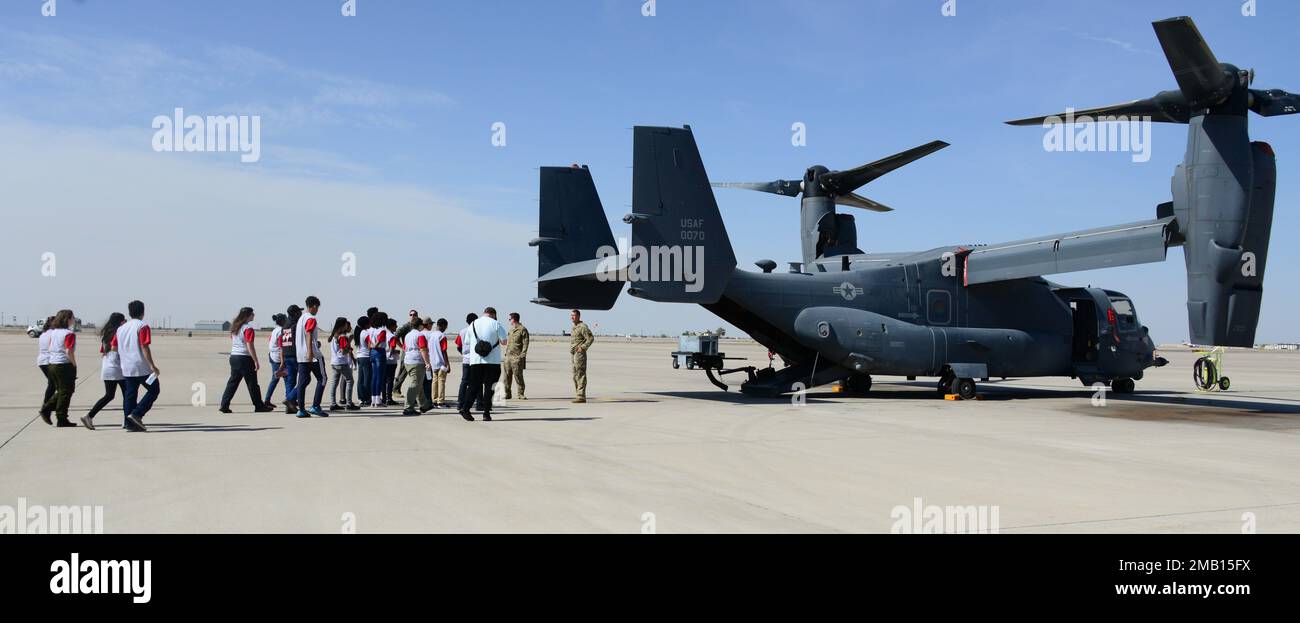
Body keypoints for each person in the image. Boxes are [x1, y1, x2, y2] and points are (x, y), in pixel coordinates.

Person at [219, 307, 274, 414]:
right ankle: (259, 406)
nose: (254, 315)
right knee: (252, 383)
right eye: (252, 314)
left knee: (233, 382)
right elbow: (250, 345)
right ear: (247, 316)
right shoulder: (248, 328)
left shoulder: (235, 327)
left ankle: (224, 405)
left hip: (234, 357)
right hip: (244, 358)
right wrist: (256, 361)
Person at [117, 300, 160, 432]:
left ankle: (129, 422)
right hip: (141, 366)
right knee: (154, 390)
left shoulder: (121, 328)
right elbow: (144, 346)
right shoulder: (142, 326)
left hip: (126, 366)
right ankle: (137, 414)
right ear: (143, 311)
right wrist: (152, 365)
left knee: (130, 395)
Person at [459, 307, 508, 422]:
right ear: (494, 314)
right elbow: (504, 341)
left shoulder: (473, 324)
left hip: (476, 361)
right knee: (490, 388)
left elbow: (466, 341)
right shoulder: (496, 324)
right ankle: (486, 413)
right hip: (493, 362)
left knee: (473, 386)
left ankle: (465, 409)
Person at [82, 312, 128, 430]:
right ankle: (127, 420)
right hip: (118, 369)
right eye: (123, 320)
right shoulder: (119, 333)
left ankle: (89, 416)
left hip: (107, 367)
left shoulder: (106, 335)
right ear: (120, 322)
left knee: (109, 395)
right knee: (127, 395)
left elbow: (103, 352)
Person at [40, 309, 80, 428]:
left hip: (52, 363)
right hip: (63, 364)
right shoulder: (69, 334)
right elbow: (69, 351)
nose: (74, 319)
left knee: (63, 390)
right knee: (65, 392)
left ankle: (48, 409)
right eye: (72, 317)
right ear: (67, 319)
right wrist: (74, 364)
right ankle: (60, 417)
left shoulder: (54, 332)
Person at [294, 296, 328, 418]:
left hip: (300, 355)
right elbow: (308, 334)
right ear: (313, 306)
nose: (317, 310)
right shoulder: (311, 318)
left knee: (302, 382)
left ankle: (301, 409)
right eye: (317, 307)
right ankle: (315, 406)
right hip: (313, 355)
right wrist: (310, 351)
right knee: (322, 379)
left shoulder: (301, 319)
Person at [400, 317, 434, 415]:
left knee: (418, 384)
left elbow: (405, 347)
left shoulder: (408, 335)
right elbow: (423, 349)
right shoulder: (420, 335)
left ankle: (424, 405)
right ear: (420, 325)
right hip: (417, 361)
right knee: (415, 384)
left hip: (408, 361)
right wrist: (427, 362)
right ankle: (408, 407)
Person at [328, 317, 359, 411]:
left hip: (334, 362)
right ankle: (349, 403)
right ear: (343, 325)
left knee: (334, 383)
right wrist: (349, 347)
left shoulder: (334, 335)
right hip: (341, 362)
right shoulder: (342, 336)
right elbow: (343, 351)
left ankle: (333, 403)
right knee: (350, 381)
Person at [392, 309, 421, 397]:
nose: (413, 316)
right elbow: (395, 336)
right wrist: (402, 346)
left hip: (415, 353)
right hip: (406, 353)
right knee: (402, 372)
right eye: (411, 315)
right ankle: (395, 389)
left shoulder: (418, 326)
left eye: (414, 314)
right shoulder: (406, 326)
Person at [279, 306, 302, 414]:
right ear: (296, 313)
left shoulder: (284, 326)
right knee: (304, 379)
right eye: (299, 312)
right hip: (295, 355)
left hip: (287, 354)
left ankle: (290, 406)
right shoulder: (296, 325)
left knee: (290, 381)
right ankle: (290, 399)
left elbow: (282, 343)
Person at [502, 312, 530, 400]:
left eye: (510, 319)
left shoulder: (522, 329)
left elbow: (526, 343)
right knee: (506, 377)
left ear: (513, 319)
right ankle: (507, 393)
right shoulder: (511, 330)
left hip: (517, 357)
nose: (509, 321)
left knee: (518, 376)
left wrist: (523, 354)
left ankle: (520, 393)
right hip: (508, 357)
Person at [364, 311, 390, 407]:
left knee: (374, 377)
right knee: (379, 377)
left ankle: (373, 399)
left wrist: (372, 346)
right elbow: (380, 341)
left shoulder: (371, 330)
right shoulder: (382, 330)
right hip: (379, 352)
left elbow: (369, 343)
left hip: (372, 353)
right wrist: (376, 346)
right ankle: (378, 400)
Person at [570, 309, 595, 403]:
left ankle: (581, 396)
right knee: (575, 375)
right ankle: (578, 394)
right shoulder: (574, 327)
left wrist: (583, 347)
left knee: (580, 374)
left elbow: (591, 338)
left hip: (580, 354)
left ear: (578, 316)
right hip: (574, 354)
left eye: (574, 315)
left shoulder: (583, 327)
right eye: (571, 315)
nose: (572, 317)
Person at [262, 313, 287, 408]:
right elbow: (281, 347)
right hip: (278, 358)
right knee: (286, 378)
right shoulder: (281, 331)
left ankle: (267, 400)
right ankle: (289, 399)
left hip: (272, 356)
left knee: (276, 379)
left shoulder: (274, 330)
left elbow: (270, 340)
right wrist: (282, 362)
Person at [455, 313, 477, 411]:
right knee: (476, 381)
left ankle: (460, 402)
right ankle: (477, 402)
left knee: (464, 381)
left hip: (466, 359)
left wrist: (464, 354)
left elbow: (458, 346)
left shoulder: (462, 331)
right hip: (476, 360)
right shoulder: (478, 331)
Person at [36, 314, 56, 422]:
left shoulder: (44, 333)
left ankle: (48, 406)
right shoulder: (53, 334)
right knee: (53, 385)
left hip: (42, 360)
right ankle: (46, 407)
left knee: (52, 384)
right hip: (49, 360)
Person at [352, 315, 371, 408]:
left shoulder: (358, 332)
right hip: (366, 356)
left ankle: (361, 397)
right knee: (367, 378)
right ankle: (367, 398)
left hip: (359, 356)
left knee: (361, 378)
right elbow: (369, 345)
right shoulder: (365, 333)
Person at [432, 318, 451, 407]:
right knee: (441, 381)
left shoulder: (432, 335)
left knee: (434, 381)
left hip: (433, 362)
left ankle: (434, 400)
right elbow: (444, 350)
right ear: (443, 325)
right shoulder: (442, 336)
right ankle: (440, 401)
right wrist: (447, 364)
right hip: (441, 362)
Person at [384, 318, 401, 405]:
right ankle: (389, 398)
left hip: (384, 359)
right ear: (391, 326)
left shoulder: (384, 334)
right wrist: (397, 351)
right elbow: (391, 349)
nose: (396, 327)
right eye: (395, 325)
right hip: (391, 360)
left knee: (384, 379)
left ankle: (384, 397)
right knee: (390, 380)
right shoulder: (392, 336)